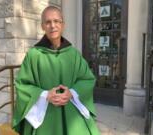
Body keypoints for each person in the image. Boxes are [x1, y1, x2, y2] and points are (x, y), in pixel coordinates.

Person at [12, 6, 100, 135]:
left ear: (63, 25)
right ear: (42, 26)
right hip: (44, 116)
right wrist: (44, 95)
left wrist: (71, 93)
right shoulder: (33, 55)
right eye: (48, 22)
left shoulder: (73, 54)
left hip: (71, 113)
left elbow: (87, 79)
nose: (52, 25)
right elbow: (22, 85)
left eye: (56, 21)